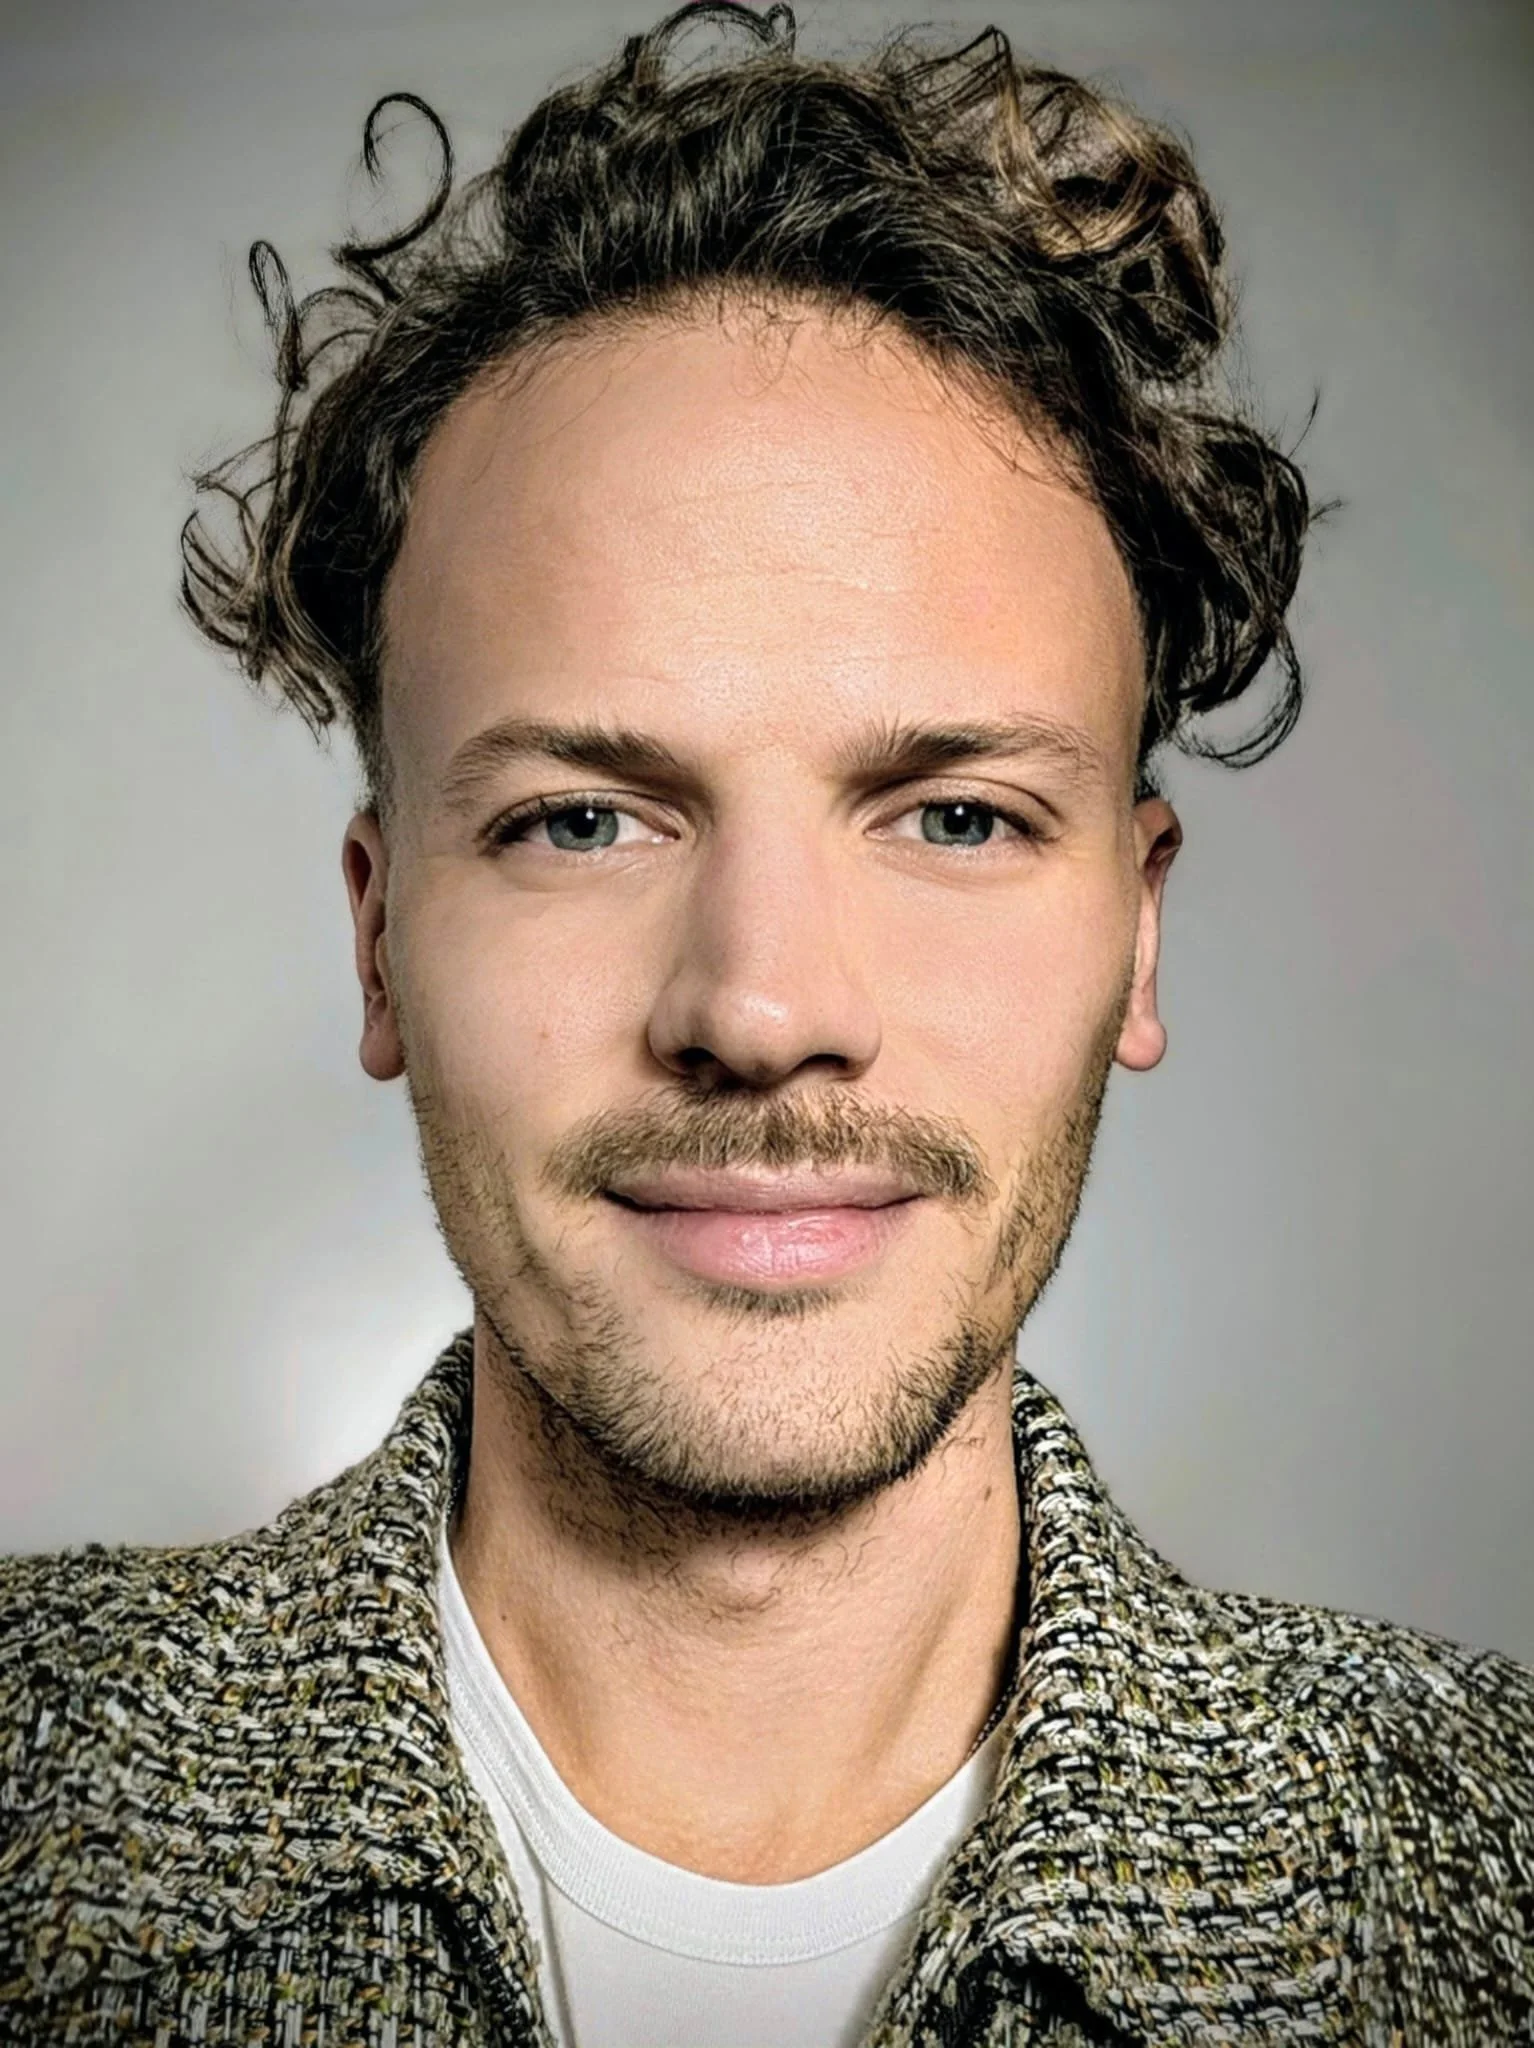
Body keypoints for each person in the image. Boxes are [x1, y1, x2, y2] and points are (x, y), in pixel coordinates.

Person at [2, 5, 1530, 2043]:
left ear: (1138, 931)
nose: (760, 1006)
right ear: (379, 942)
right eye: (580, 819)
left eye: (955, 816)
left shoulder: (1485, 1870)